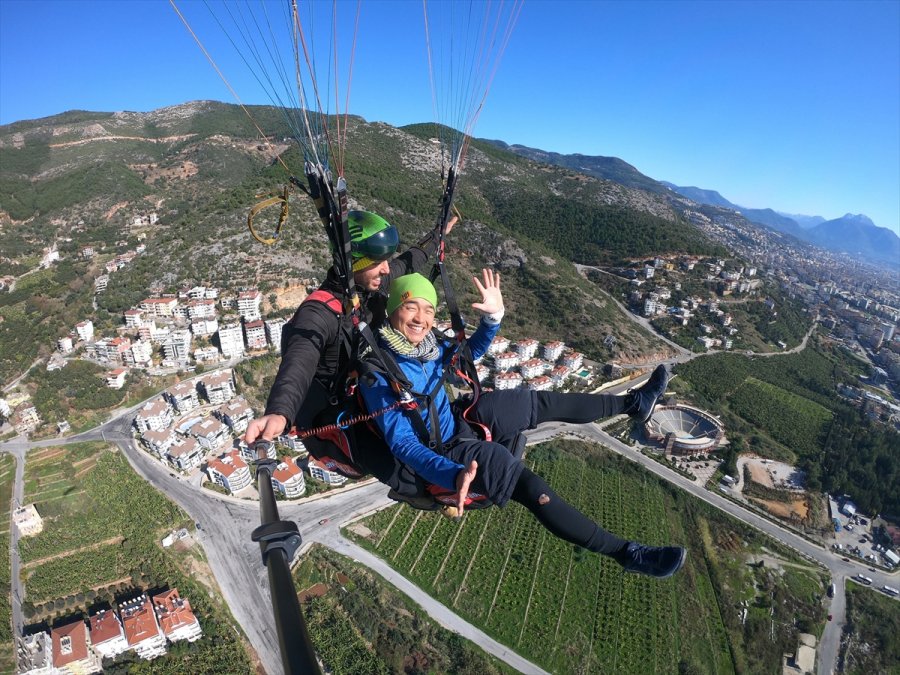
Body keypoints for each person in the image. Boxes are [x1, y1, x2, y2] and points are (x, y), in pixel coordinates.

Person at [358, 270, 686, 578]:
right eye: (411, 306)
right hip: (444, 451)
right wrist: (453, 474)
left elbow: (468, 355)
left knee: (534, 401)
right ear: (393, 309)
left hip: (460, 419)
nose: (421, 318)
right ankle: (626, 552)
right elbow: (403, 444)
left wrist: (492, 320)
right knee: (528, 487)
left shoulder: (428, 346)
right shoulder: (379, 374)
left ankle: (634, 404)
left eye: (428, 309)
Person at [244, 210, 454, 446]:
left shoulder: (370, 285)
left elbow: (408, 261)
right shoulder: (318, 313)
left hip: (368, 390)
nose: (386, 269)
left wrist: (438, 235)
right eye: (377, 263)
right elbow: (299, 361)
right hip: (334, 415)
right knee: (406, 473)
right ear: (354, 263)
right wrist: (279, 410)